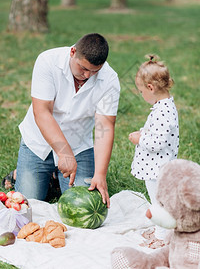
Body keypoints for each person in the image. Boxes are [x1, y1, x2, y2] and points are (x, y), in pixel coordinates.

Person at [14, 33, 120, 207]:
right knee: (28, 204)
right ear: (73, 52)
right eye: (83, 68)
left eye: (94, 71)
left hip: (78, 146)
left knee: (84, 206)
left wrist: (100, 174)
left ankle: (54, 178)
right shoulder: (48, 61)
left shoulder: (110, 79)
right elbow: (42, 112)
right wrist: (63, 153)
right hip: (37, 144)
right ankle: (27, 174)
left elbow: (105, 126)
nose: (87, 75)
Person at [129, 54, 179, 248]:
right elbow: (157, 132)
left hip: (157, 169)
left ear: (150, 88)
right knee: (156, 199)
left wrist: (139, 138)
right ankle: (159, 229)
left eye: (141, 91)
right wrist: (143, 132)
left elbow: (157, 141)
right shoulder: (163, 106)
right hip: (155, 166)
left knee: (159, 203)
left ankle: (161, 236)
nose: (141, 95)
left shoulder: (164, 111)